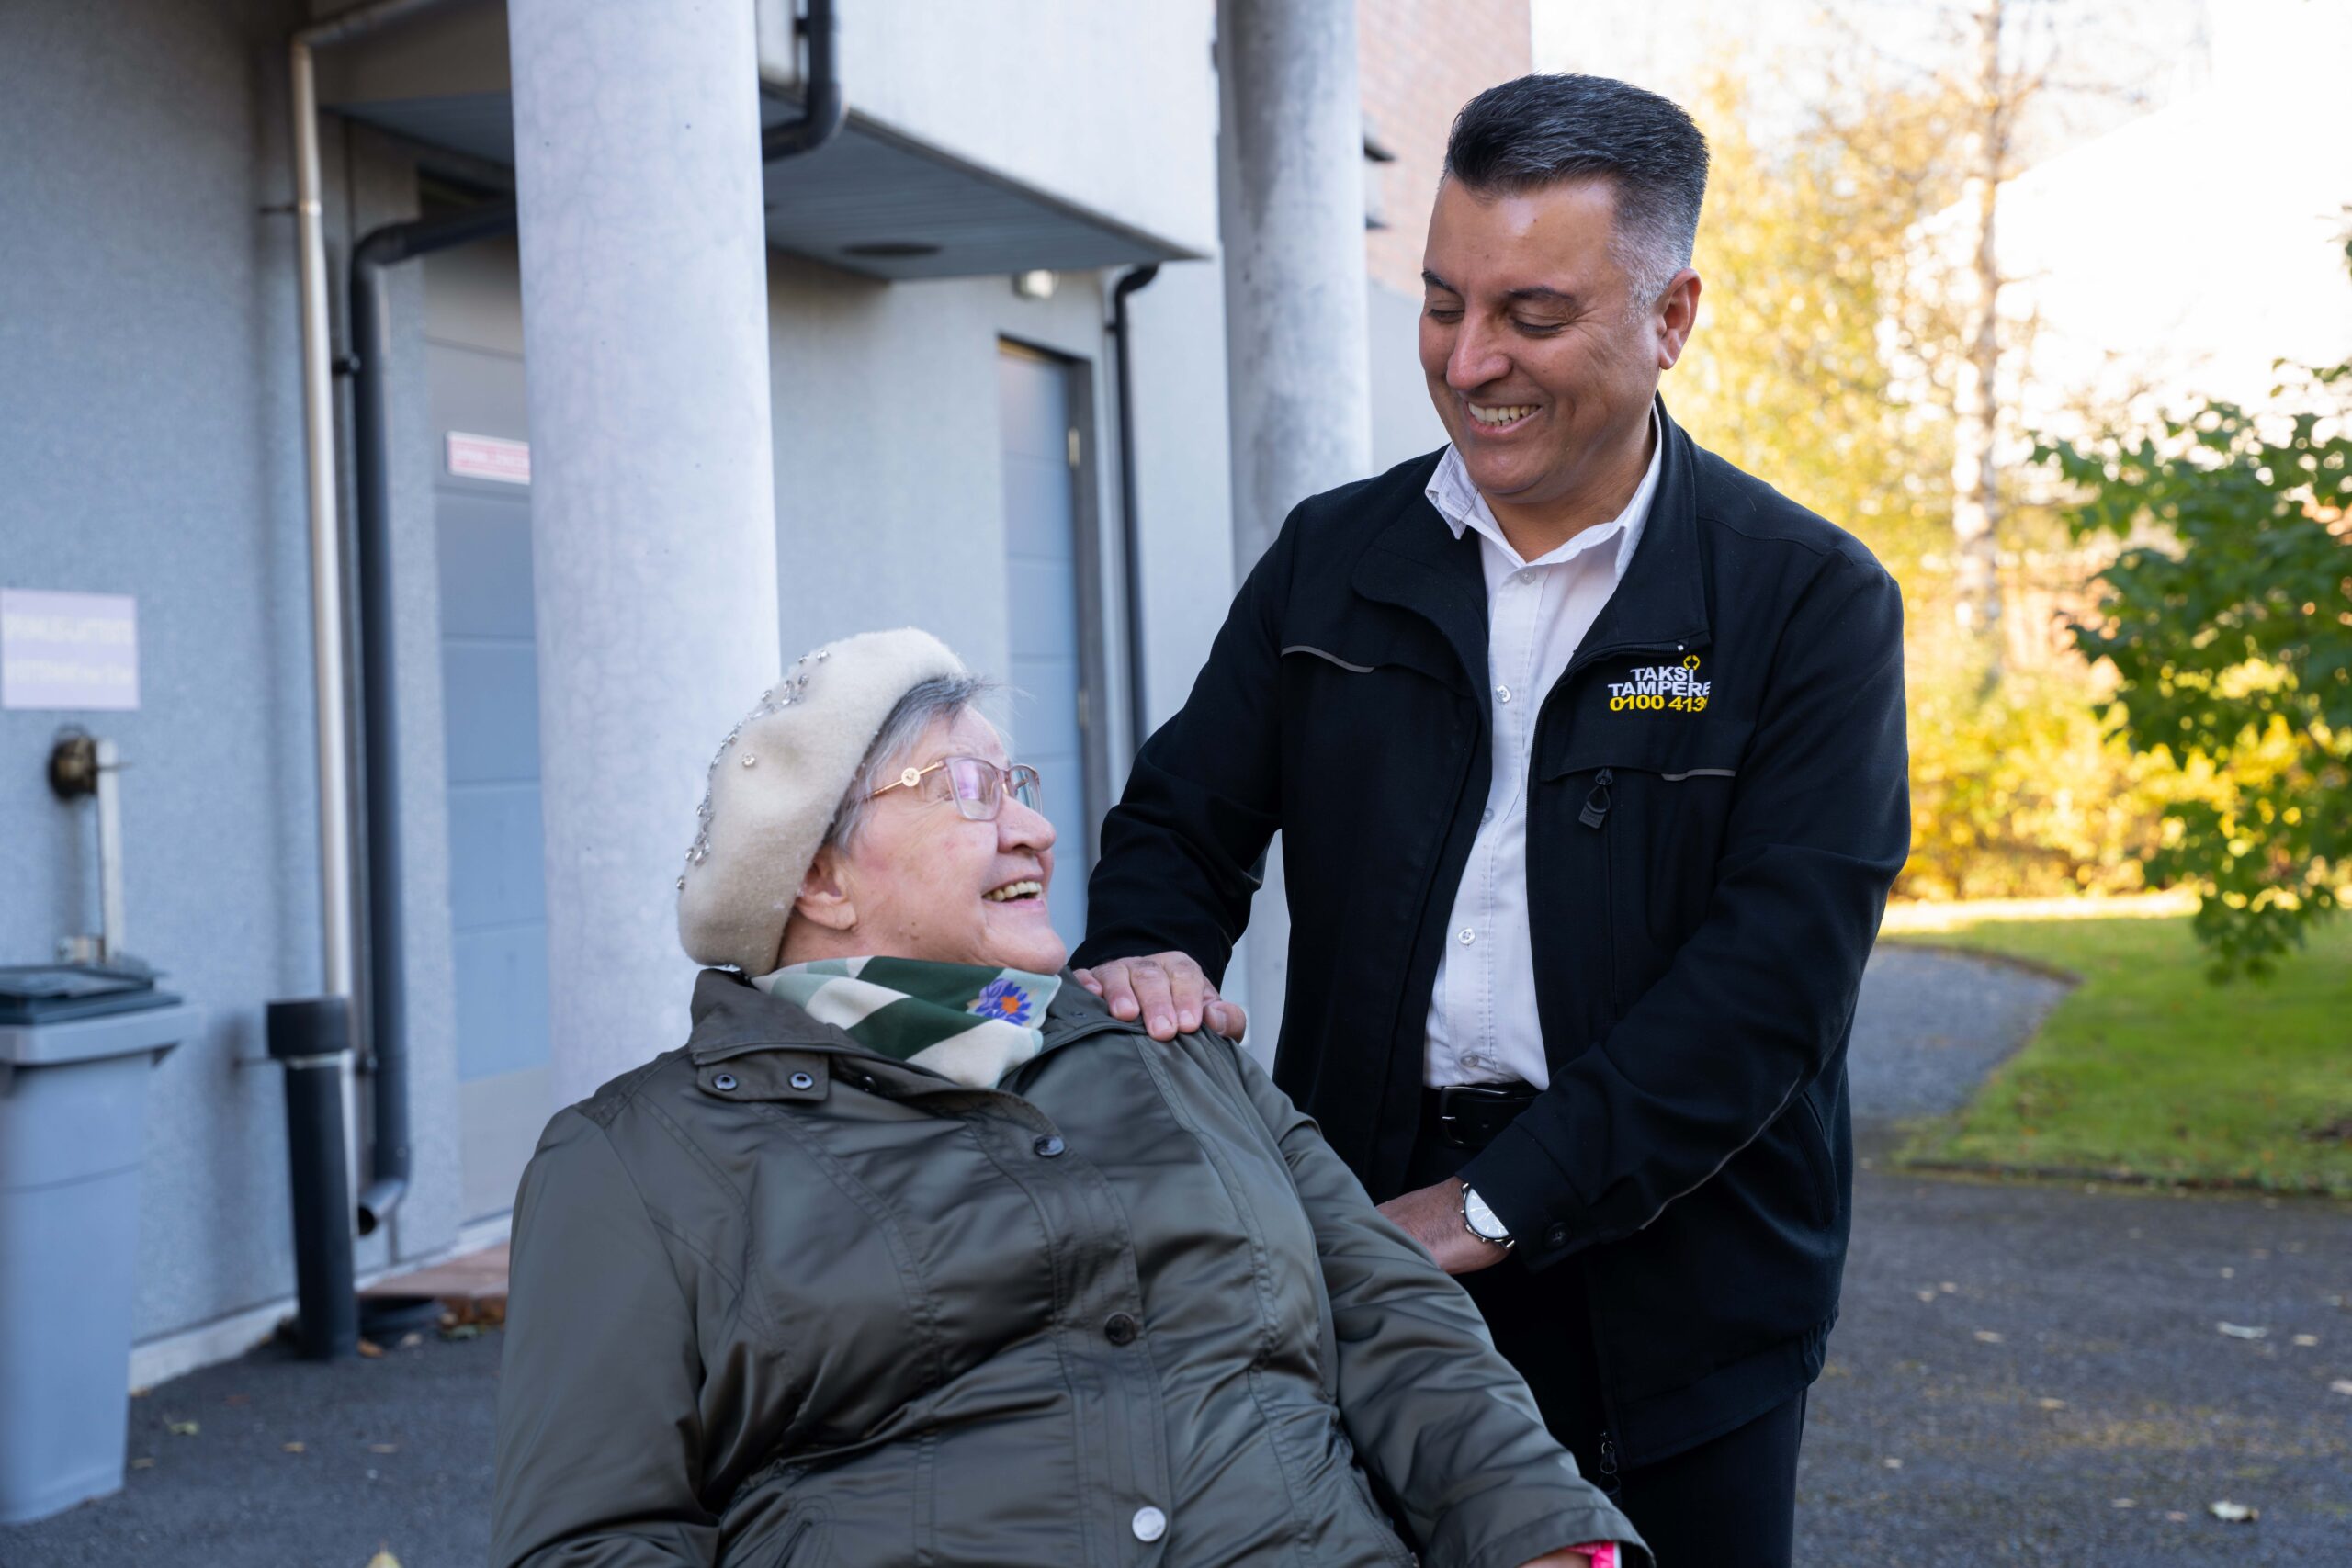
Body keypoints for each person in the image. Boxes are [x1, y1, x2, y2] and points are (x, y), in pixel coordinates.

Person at [1074, 74, 1910, 1566]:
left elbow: (1770, 987)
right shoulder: (1333, 560)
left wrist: (1488, 1204)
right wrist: (1145, 950)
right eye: (1442, 301)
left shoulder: (1804, 603)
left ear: (1672, 318)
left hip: (1681, 1299)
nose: (1468, 362)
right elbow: (1180, 822)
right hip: (1369, 1247)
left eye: (1531, 315)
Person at [488, 626, 1642, 1567]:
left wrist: (1548, 1544)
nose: (1036, 824)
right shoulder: (636, 1160)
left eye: (1022, 785)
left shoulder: (1173, 1048)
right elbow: (596, 1539)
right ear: (822, 878)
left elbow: (1399, 1328)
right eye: (972, 789)